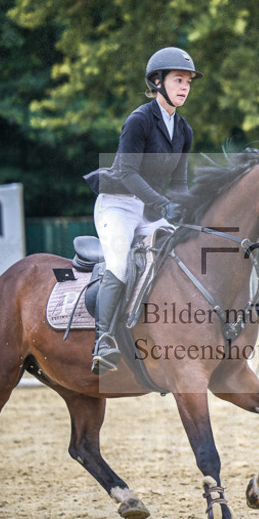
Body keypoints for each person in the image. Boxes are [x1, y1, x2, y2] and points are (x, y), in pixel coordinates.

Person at [83, 47, 201, 375]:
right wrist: (163, 204)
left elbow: (178, 183)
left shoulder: (184, 131)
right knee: (119, 265)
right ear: (157, 82)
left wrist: (192, 208)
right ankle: (103, 339)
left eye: (188, 82)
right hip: (117, 205)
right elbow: (127, 174)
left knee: (181, 252)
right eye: (178, 80)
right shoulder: (139, 120)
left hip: (147, 209)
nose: (185, 87)